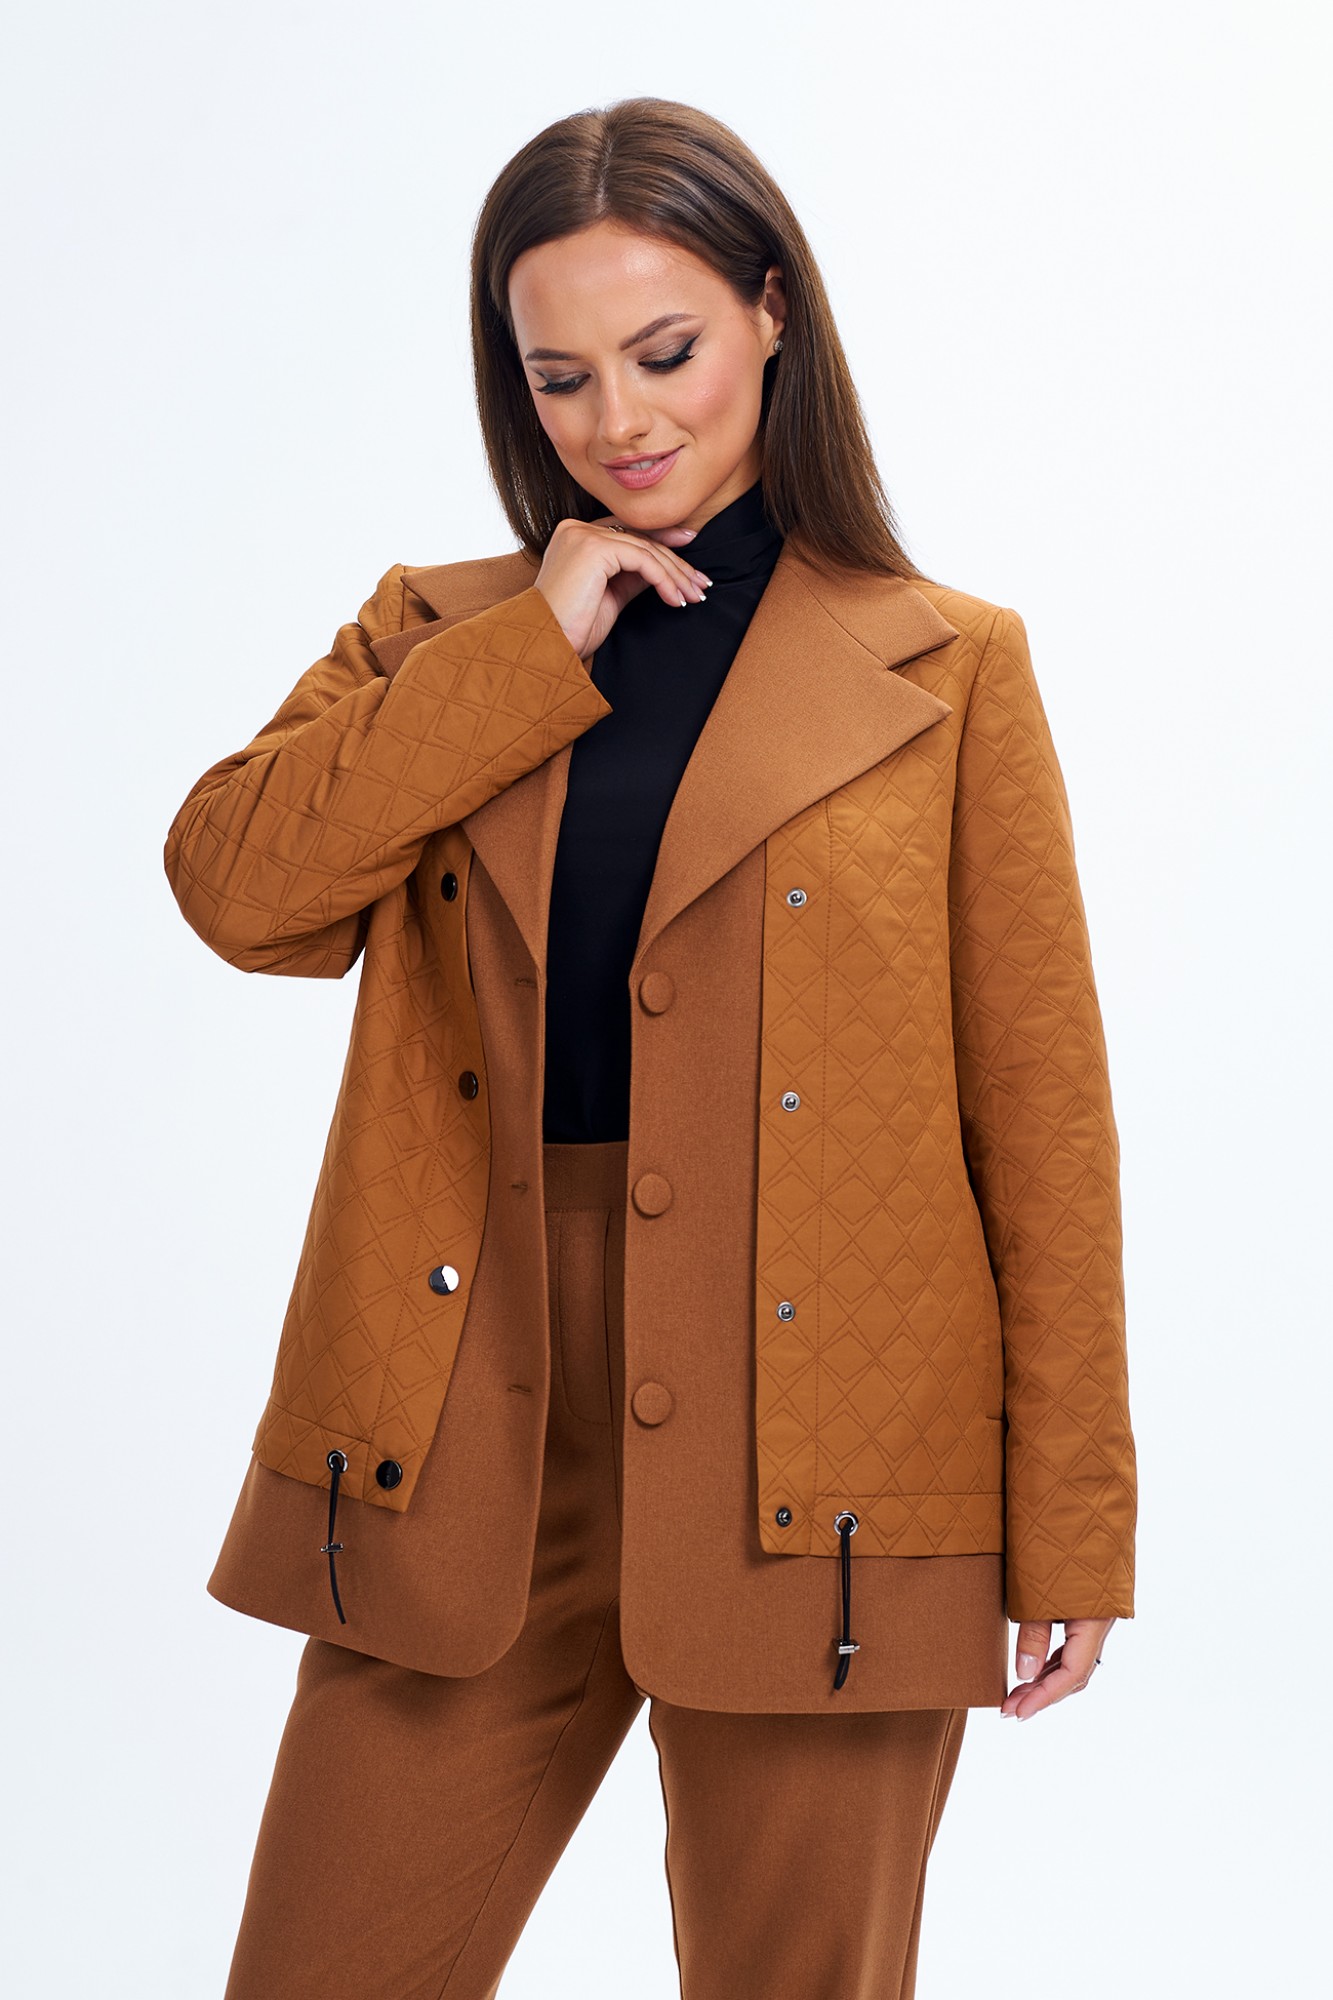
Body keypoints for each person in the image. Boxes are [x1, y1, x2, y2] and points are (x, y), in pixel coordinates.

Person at [164, 94, 1137, 2000]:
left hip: (831, 1456)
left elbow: (1042, 1123)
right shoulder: (433, 636)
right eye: (561, 377)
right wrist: (527, 650)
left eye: (665, 351)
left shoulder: (947, 667)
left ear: (772, 312)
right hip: (473, 1428)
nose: (619, 420)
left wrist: (1073, 1520)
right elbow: (238, 892)